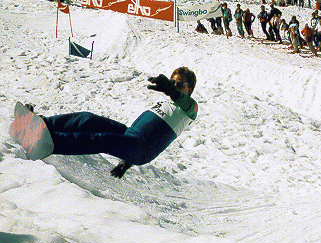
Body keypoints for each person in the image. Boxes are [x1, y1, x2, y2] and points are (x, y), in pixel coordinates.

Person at [31, 67, 198, 179]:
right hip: (130, 135)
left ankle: (51, 141)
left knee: (100, 140)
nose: (175, 86)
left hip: (140, 147)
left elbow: (181, 100)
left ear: (190, 89)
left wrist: (169, 89)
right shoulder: (167, 104)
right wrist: (127, 162)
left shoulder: (190, 108)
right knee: (88, 119)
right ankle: (43, 123)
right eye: (172, 82)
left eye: (179, 84)